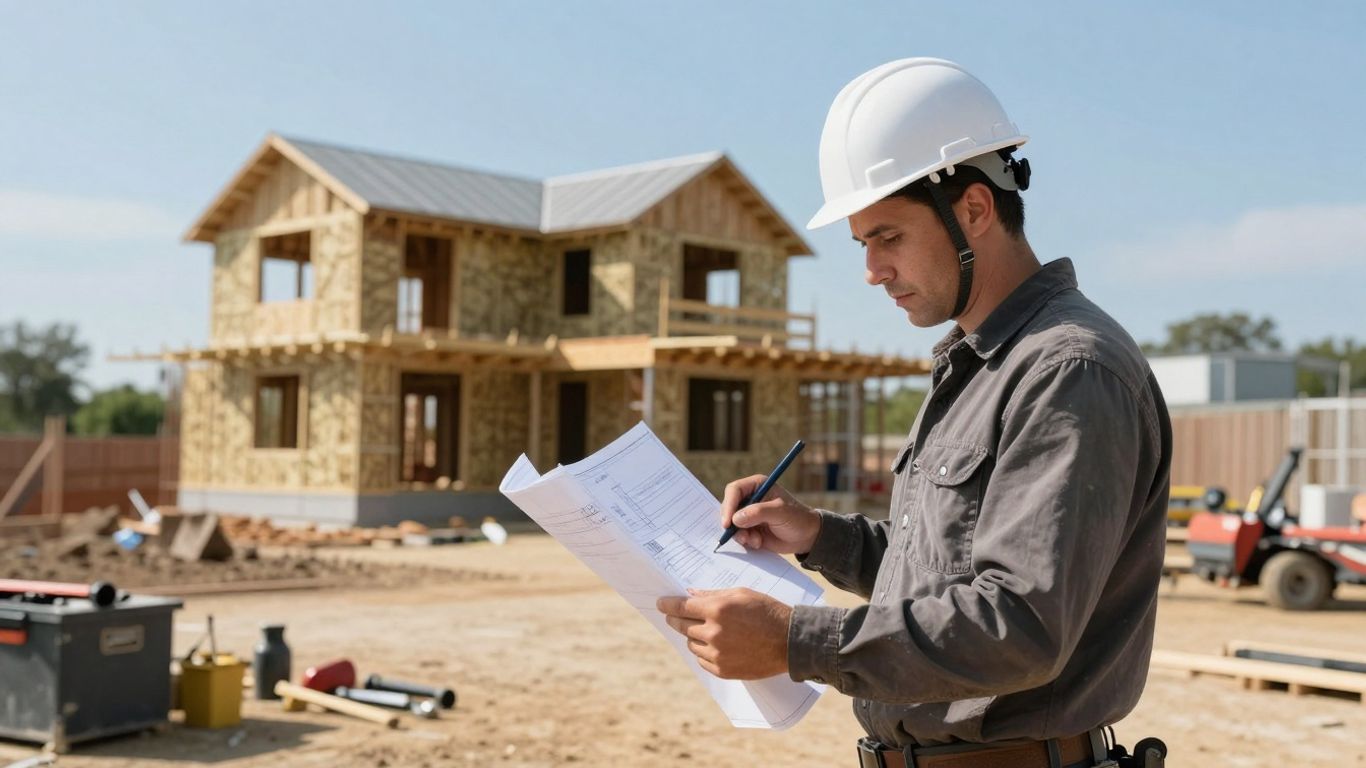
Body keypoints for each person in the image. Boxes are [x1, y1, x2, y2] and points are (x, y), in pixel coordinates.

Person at [657, 57, 1172, 768]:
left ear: (974, 210)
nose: (871, 271)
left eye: (889, 237)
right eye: (862, 244)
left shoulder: (1067, 371)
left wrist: (793, 639)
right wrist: (817, 536)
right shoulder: (974, 365)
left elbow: (1020, 626)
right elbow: (943, 578)